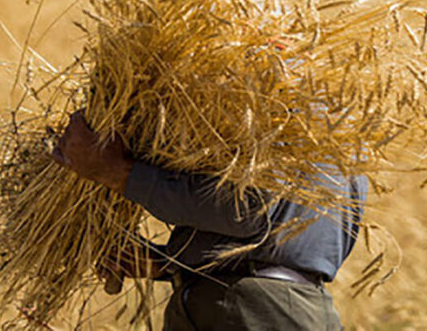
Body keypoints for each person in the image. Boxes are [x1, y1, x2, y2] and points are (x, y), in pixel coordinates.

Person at [53, 110, 367, 330]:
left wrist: (118, 172)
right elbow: (296, 246)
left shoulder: (269, 108)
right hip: (285, 310)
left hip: (249, 314)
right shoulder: (341, 124)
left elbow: (245, 210)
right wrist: (169, 262)